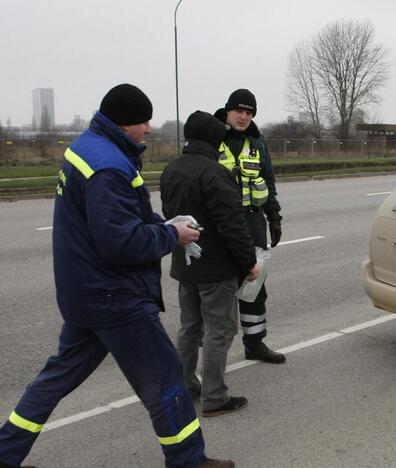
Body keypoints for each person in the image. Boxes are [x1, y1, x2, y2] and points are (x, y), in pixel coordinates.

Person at [0, 84, 233, 468]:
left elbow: (119, 221)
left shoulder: (88, 148)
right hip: (115, 296)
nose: (149, 128)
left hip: (85, 292)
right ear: (126, 124)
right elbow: (120, 243)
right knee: (165, 380)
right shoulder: (109, 166)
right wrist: (172, 234)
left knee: (56, 377)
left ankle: (5, 452)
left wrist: (162, 224)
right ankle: (189, 461)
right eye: (143, 121)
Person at [160, 111, 260, 417]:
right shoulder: (215, 173)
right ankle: (215, 397)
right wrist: (249, 263)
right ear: (214, 139)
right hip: (216, 268)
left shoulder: (171, 168)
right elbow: (232, 225)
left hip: (186, 264)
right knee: (220, 329)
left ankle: (185, 385)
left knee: (190, 326)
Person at [213, 89, 285, 364]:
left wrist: (274, 218)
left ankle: (254, 343)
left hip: (253, 222)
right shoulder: (213, 137)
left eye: (249, 112)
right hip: (220, 225)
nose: (243, 116)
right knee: (217, 289)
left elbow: (268, 182)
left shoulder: (258, 141)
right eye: (238, 111)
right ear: (227, 110)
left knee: (255, 285)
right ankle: (209, 354)